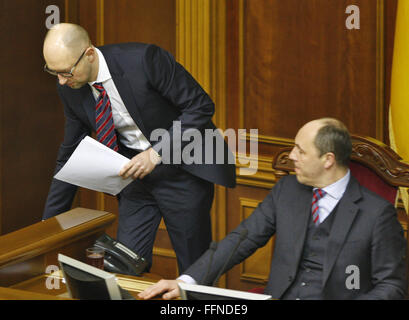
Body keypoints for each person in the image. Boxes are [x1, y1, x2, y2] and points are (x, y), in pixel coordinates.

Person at [139, 118, 407, 300]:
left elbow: (393, 285)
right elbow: (240, 240)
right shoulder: (287, 191)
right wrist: (186, 281)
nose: (291, 156)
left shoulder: (376, 213)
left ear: (328, 160)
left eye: (301, 151)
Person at [42, 23, 236, 273]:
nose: (61, 80)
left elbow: (200, 107)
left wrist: (155, 154)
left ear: (89, 54)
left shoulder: (143, 60)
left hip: (181, 172)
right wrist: (48, 226)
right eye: (53, 72)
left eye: (67, 71)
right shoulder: (70, 88)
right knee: (121, 266)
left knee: (194, 270)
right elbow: (70, 154)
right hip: (135, 180)